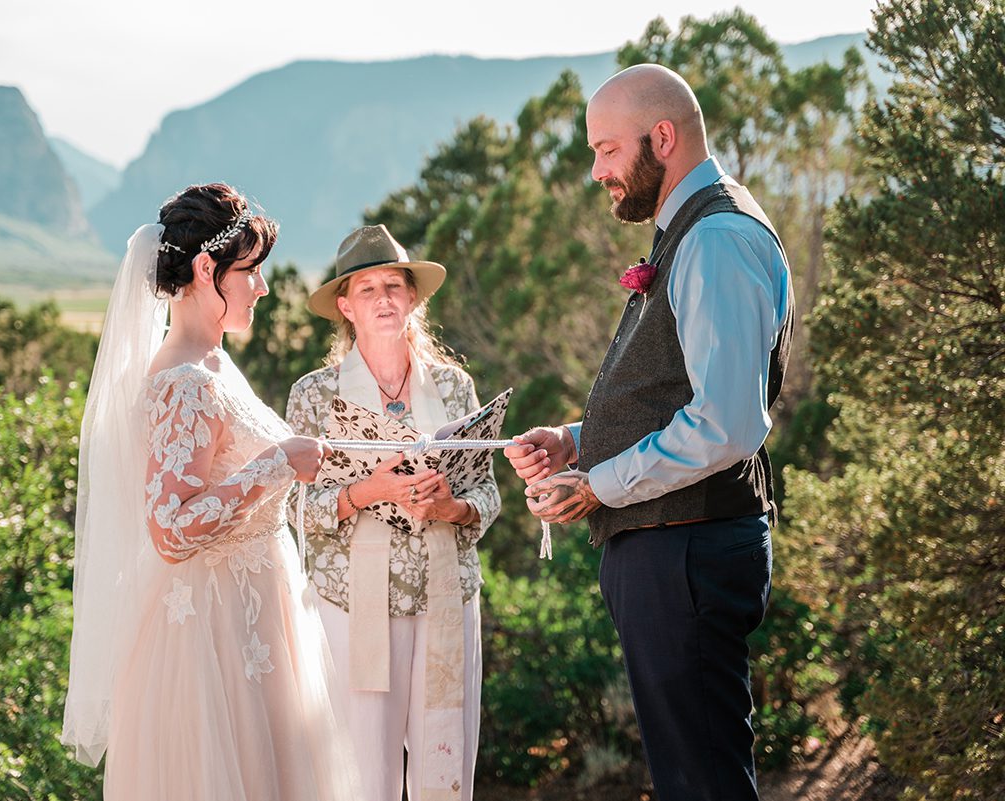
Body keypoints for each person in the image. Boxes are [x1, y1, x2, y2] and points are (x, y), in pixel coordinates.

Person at [504, 64, 794, 801]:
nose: (598, 170)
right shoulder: (690, 232)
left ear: (662, 138)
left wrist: (596, 483)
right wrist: (576, 441)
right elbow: (679, 393)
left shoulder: (717, 238)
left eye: (607, 149)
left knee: (703, 780)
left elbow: (726, 422)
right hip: (673, 548)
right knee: (691, 772)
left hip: (687, 549)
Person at [61, 183, 362, 800]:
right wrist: (276, 464)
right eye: (251, 271)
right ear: (206, 270)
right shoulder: (181, 384)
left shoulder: (217, 363)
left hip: (259, 617)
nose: (263, 287)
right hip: (210, 637)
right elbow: (170, 529)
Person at [286, 224, 500, 801]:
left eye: (393, 286)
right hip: (352, 604)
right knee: (361, 774)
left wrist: (450, 504)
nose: (383, 298)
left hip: (445, 599)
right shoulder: (314, 394)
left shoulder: (455, 388)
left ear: (412, 299)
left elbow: (489, 494)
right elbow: (293, 506)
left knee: (444, 763)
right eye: (366, 289)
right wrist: (369, 490)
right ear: (344, 306)